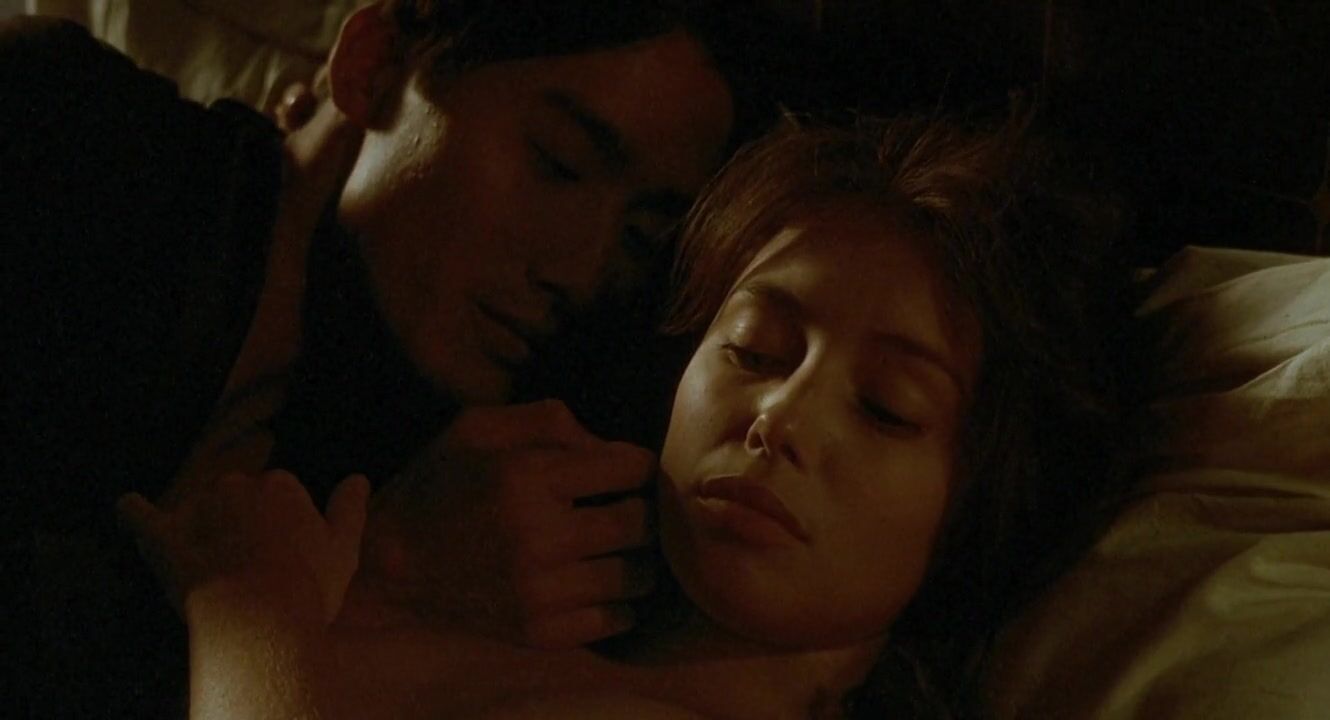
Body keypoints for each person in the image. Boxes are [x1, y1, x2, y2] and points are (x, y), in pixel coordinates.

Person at [120, 110, 1142, 719]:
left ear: (978, 504)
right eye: (754, 348)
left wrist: (251, 613)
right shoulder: (500, 608)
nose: (777, 418)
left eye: (885, 408)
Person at [1, 2, 796, 714]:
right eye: (557, 163)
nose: (582, 271)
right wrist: (374, 584)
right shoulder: (64, 132)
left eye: (638, 237)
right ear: (373, 63)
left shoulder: (476, 455)